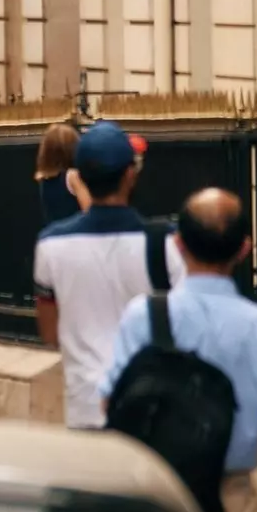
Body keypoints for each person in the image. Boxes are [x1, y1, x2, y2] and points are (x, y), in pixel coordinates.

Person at [102, 189, 257, 512]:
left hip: (158, 495)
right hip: (230, 497)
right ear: (244, 248)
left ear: (178, 244)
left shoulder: (143, 316)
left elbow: (108, 401)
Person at [33, 120, 182, 432]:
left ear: (81, 176)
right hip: (147, 403)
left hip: (84, 402)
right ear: (130, 174)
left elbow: (49, 332)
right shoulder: (166, 244)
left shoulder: (50, 246)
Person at [36, 121, 90, 224]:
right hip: (75, 235)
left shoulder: (43, 179)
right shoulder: (72, 176)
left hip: (56, 235)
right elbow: (89, 211)